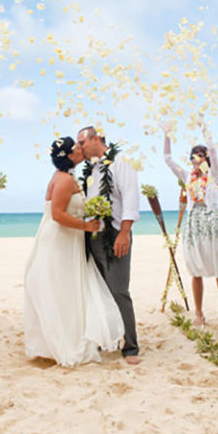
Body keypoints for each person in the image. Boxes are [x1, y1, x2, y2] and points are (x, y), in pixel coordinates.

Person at [24, 137, 124, 366]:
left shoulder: (68, 178)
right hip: (61, 240)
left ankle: (72, 334)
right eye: (77, 148)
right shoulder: (64, 180)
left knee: (69, 288)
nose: (81, 149)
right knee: (63, 288)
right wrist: (85, 226)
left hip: (70, 240)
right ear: (70, 156)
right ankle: (64, 341)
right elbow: (58, 214)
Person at [77, 126, 141, 364]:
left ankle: (131, 345)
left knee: (119, 291)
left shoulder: (121, 162)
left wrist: (124, 232)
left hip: (115, 234)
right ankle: (110, 338)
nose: (79, 148)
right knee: (101, 291)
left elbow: (131, 198)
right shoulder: (92, 170)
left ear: (95, 139)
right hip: (95, 237)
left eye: (81, 143)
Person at [161, 118, 218, 328]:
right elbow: (167, 158)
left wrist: (204, 128)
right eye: (193, 158)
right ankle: (199, 313)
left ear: (206, 159)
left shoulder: (214, 174)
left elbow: (214, 151)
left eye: (199, 156)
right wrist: (167, 133)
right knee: (195, 269)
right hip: (194, 225)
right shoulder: (186, 176)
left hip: (213, 223)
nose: (195, 161)